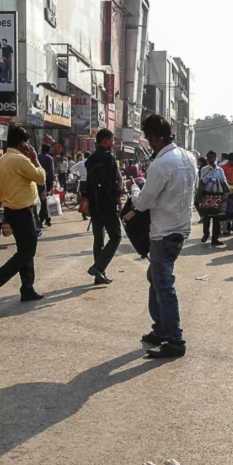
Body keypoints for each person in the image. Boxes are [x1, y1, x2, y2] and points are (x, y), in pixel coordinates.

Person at [126, 114, 197, 359]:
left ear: (156, 138)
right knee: (155, 276)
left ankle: (175, 339)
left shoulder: (160, 164)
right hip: (181, 229)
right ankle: (160, 328)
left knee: (163, 284)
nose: (149, 143)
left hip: (162, 232)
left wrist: (135, 187)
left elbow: (143, 204)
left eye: (149, 139)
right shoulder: (189, 157)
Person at [0, 126, 46, 305]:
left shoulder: (0, 162)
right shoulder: (20, 160)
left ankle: (27, 288)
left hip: (12, 211)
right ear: (22, 143)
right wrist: (35, 160)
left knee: (24, 250)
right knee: (28, 251)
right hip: (24, 211)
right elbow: (41, 177)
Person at [84, 129, 123, 285]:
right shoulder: (108, 159)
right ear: (105, 141)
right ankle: (98, 268)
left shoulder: (91, 159)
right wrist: (118, 199)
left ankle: (99, 274)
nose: (113, 143)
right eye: (112, 140)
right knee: (116, 236)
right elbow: (112, 182)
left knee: (98, 240)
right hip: (107, 204)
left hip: (94, 204)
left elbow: (88, 183)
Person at [198, 150, 228, 247]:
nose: (211, 160)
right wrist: (210, 175)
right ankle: (206, 234)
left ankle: (215, 238)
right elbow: (203, 180)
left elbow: (223, 181)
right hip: (207, 195)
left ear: (216, 158)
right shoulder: (204, 169)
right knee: (207, 217)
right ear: (207, 158)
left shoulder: (220, 170)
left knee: (217, 218)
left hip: (217, 195)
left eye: (213, 158)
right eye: (209, 158)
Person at [37, 144, 55, 228]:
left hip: (36, 182)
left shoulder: (37, 157)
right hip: (45, 183)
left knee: (42, 201)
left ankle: (47, 219)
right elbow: (51, 172)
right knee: (45, 202)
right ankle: (41, 221)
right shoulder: (49, 158)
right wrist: (51, 184)